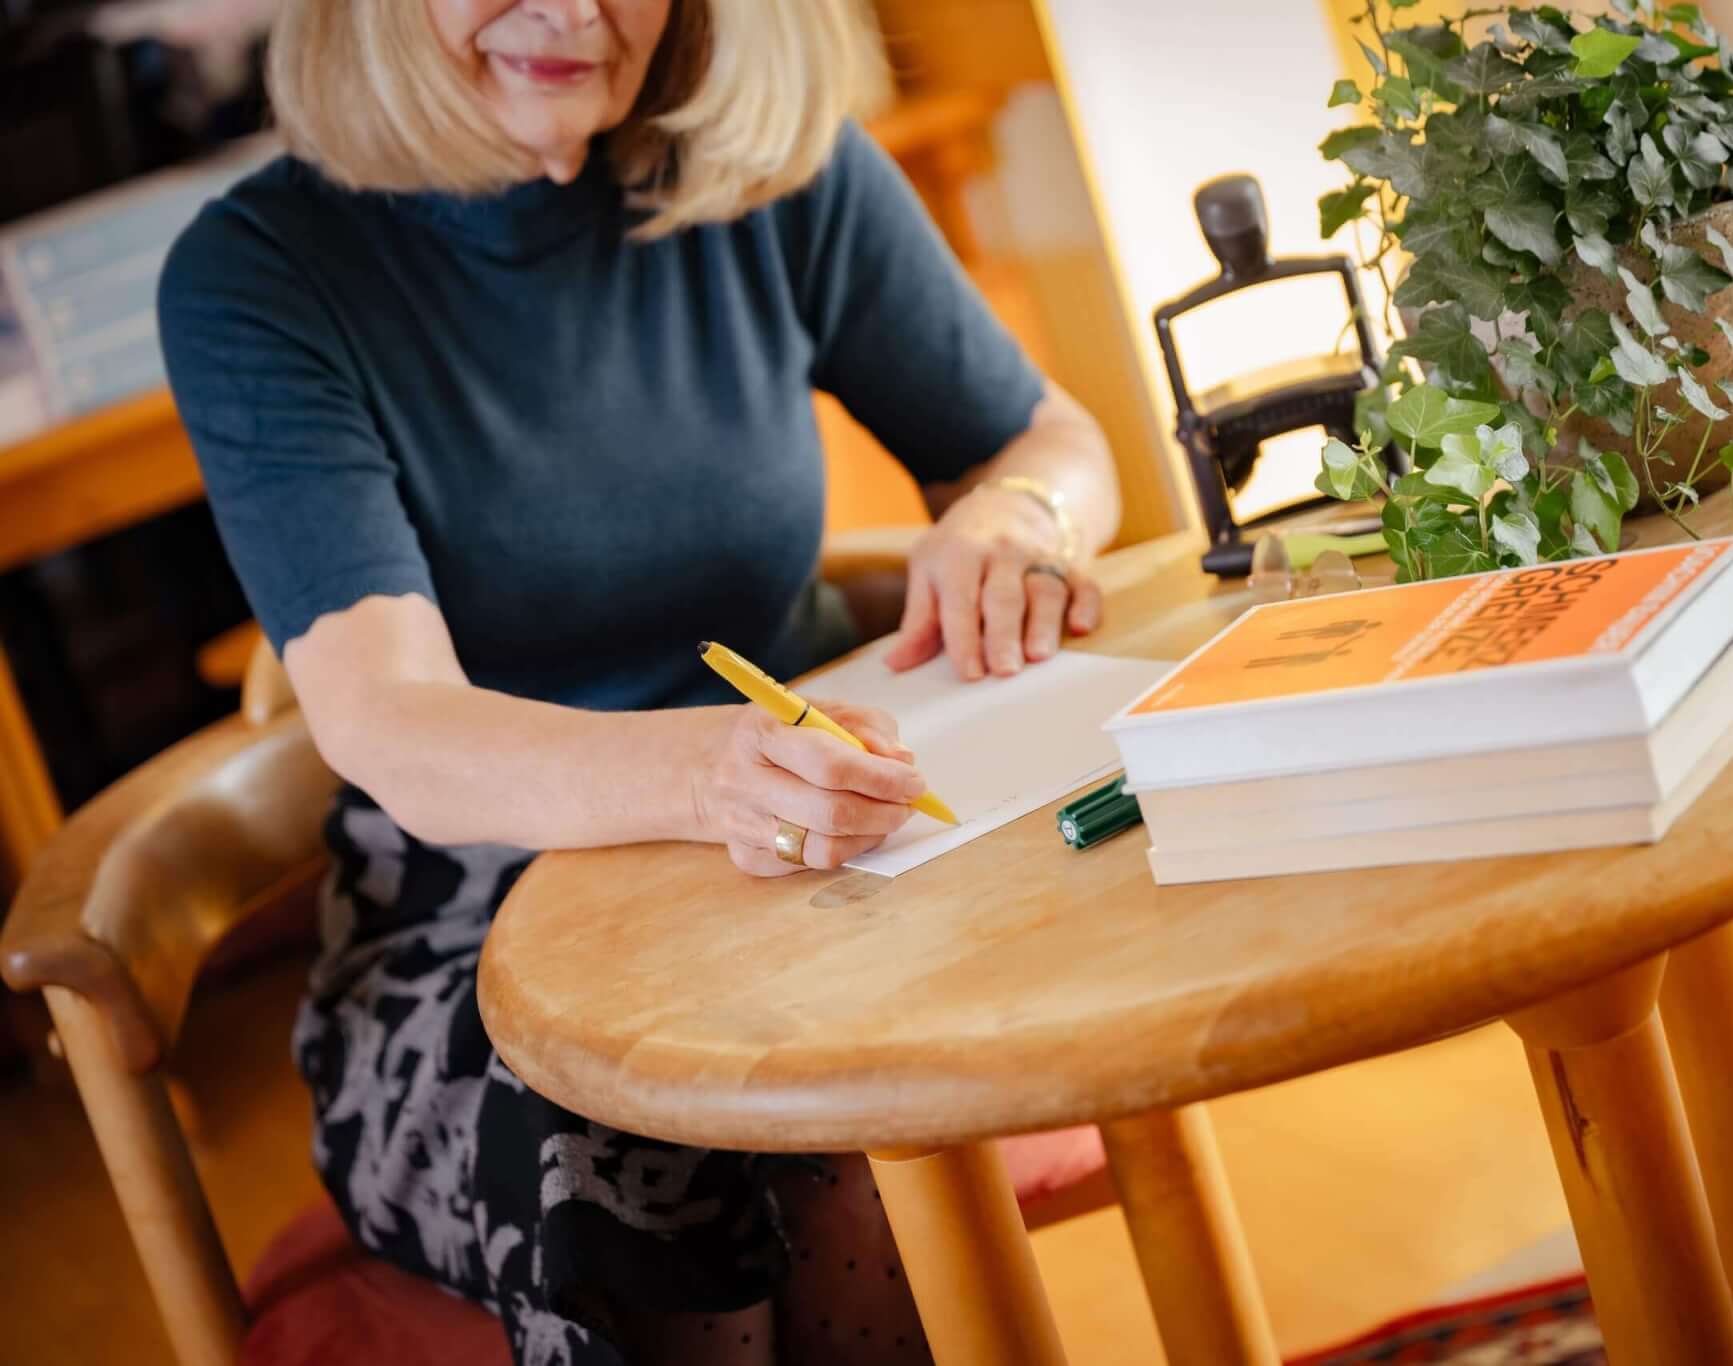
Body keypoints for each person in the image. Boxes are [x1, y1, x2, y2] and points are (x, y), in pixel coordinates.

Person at [156, 1, 1123, 1362]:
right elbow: (398, 727)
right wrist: (704, 771)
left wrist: (1022, 515)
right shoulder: (261, 271)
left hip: (811, 867)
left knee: (829, 1078)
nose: (572, 9)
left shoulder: (775, 170)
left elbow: (1049, 439)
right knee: (651, 1132)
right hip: (468, 931)